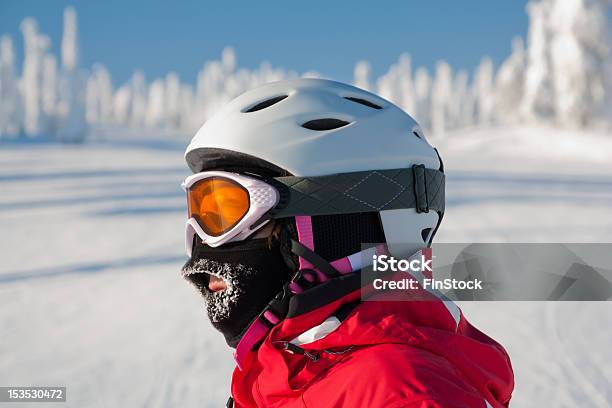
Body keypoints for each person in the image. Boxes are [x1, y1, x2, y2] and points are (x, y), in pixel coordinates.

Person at [181, 78, 514, 407]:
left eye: (229, 208)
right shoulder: (286, 369)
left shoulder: (404, 393)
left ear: (337, 227)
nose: (202, 243)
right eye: (202, 207)